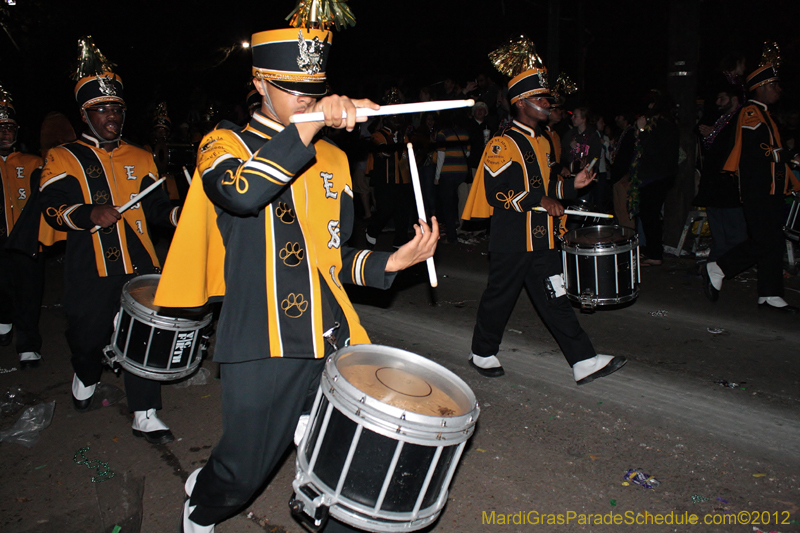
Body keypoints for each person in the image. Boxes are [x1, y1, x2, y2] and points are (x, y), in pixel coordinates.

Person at [149, 27, 438, 532]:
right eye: (291, 87)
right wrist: (305, 129)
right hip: (263, 337)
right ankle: (203, 505)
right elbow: (240, 194)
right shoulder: (223, 142)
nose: (306, 99)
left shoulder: (335, 157)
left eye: (314, 89)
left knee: (340, 465)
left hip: (330, 335)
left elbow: (333, 255)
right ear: (260, 82)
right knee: (244, 472)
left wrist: (392, 263)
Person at [39, 38, 181, 442]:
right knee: (88, 333)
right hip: (91, 262)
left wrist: (178, 213)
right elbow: (51, 207)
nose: (112, 115)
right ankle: (85, 370)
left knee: (145, 331)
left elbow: (156, 208)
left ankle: (146, 410)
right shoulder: (63, 157)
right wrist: (89, 213)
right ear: (85, 115)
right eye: (102, 109)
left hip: (139, 262)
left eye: (117, 108)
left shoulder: (141, 156)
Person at [463, 60, 626, 384]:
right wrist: (540, 200)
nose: (548, 105)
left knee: (555, 295)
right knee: (500, 297)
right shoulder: (502, 144)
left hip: (541, 239)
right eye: (541, 98)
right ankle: (482, 352)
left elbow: (547, 189)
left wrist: (572, 186)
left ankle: (583, 360)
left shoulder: (543, 142)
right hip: (511, 238)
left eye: (548, 99)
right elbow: (497, 193)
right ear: (521, 103)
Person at [702, 63, 800, 312]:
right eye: (774, 85)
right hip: (758, 188)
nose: (778, 90)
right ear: (762, 88)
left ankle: (769, 293)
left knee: (773, 239)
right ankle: (720, 266)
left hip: (771, 188)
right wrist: (789, 156)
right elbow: (758, 150)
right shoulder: (751, 112)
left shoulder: (765, 113)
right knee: (764, 240)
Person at [0, 85, 48, 368]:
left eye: (9, 128)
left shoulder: (33, 163)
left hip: (28, 239)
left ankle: (28, 345)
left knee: (30, 292)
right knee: (3, 288)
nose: (5, 133)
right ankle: (5, 315)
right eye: (0, 127)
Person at [694, 85, 746, 262]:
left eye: (722, 98)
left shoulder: (741, 117)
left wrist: (714, 136)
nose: (718, 102)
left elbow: (735, 147)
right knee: (718, 230)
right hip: (714, 184)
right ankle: (718, 263)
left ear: (734, 99)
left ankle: (733, 263)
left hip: (729, 185)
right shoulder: (722, 119)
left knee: (734, 230)